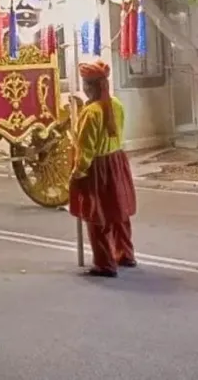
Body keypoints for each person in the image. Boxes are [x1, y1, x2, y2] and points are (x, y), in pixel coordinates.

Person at [69, 60, 137, 278]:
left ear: (90, 86)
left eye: (85, 84)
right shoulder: (116, 104)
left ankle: (105, 264)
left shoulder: (91, 113)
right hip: (116, 161)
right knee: (118, 212)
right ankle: (125, 254)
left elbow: (86, 149)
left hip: (97, 167)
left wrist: (78, 173)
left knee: (97, 216)